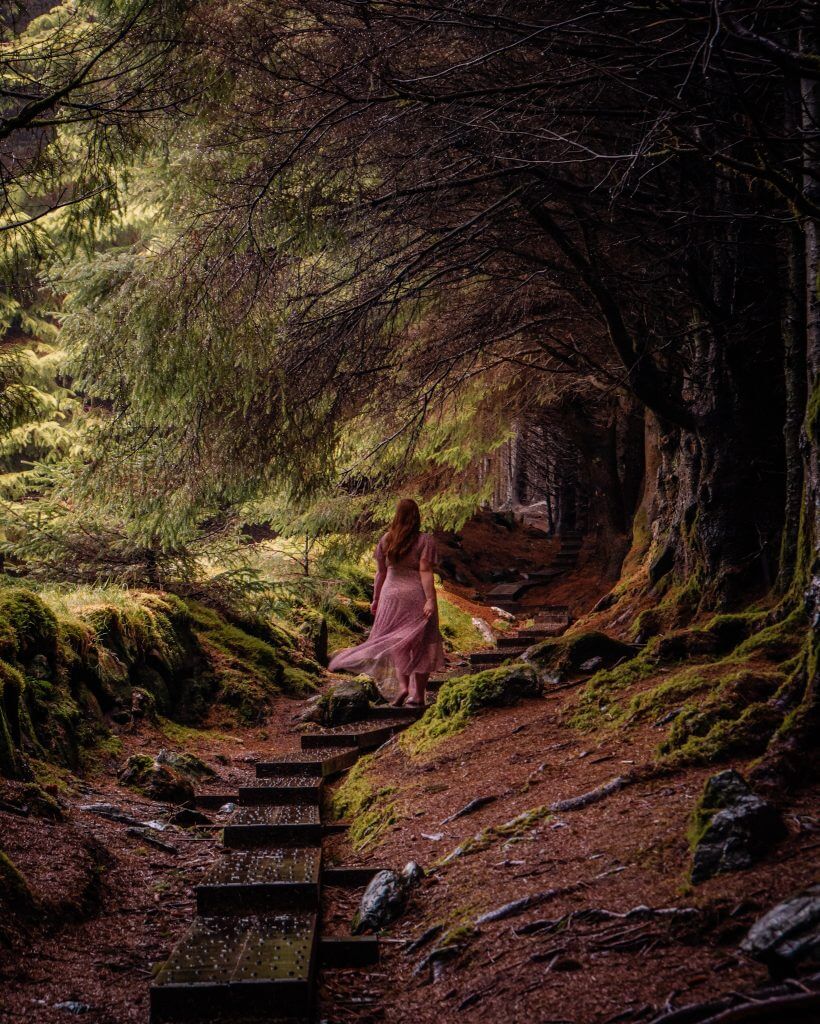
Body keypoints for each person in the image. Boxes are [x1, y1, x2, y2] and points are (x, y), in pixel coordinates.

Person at [328, 498, 445, 706]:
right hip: (414, 595)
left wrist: (376, 599)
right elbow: (425, 571)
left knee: (395, 642)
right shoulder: (424, 540)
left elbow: (380, 573)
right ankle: (417, 695)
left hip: (390, 595)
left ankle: (403, 687)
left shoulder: (386, 540)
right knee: (422, 642)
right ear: (416, 517)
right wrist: (429, 600)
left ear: (396, 516)